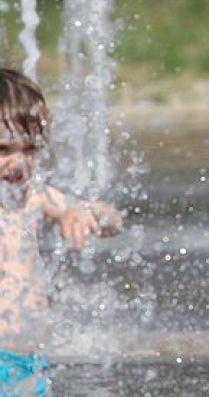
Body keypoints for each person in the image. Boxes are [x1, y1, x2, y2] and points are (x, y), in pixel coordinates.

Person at [0, 67, 123, 396]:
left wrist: (80, 213)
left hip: (30, 364)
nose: (19, 164)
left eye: (30, 149)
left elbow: (113, 221)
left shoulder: (35, 197)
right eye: (3, 150)